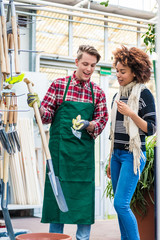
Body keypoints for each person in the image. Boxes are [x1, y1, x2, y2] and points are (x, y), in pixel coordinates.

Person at [27, 45, 108, 240]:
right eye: (85, 64)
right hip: (59, 157)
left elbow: (102, 121)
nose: (89, 69)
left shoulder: (97, 92)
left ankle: (83, 238)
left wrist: (88, 124)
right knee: (57, 199)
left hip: (83, 160)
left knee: (83, 202)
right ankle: (56, 238)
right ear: (77, 62)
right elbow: (46, 117)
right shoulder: (59, 85)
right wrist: (36, 106)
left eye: (93, 66)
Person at [107, 45, 156, 240]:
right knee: (119, 207)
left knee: (121, 204)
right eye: (117, 71)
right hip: (117, 155)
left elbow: (151, 128)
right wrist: (110, 159)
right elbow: (114, 133)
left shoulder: (144, 94)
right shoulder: (117, 96)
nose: (118, 75)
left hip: (133, 156)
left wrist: (131, 114)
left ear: (135, 72)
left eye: (123, 71)